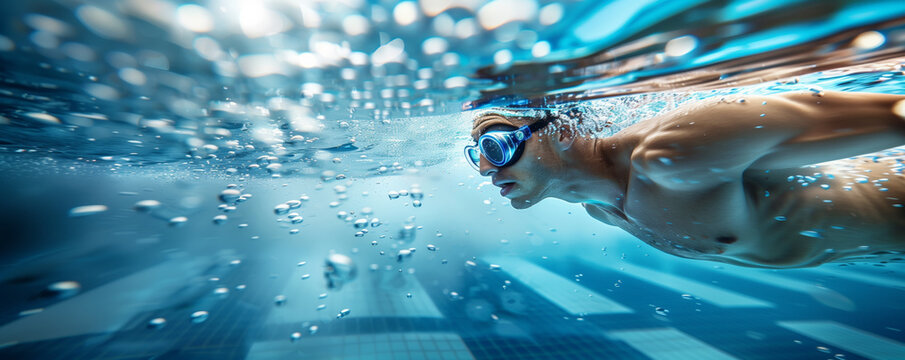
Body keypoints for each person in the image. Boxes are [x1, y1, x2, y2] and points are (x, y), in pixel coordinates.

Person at [465, 91, 905, 268]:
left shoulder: (674, 155)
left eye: (494, 147)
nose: (486, 170)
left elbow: (894, 112)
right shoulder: (600, 211)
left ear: (559, 131)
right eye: (476, 157)